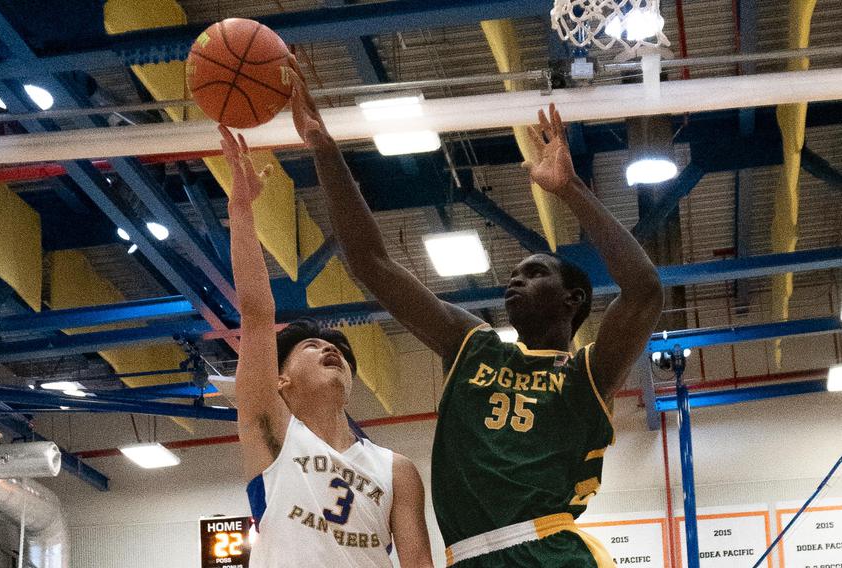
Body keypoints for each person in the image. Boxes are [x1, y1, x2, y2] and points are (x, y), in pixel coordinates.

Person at [288, 69, 664, 567]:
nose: (515, 280)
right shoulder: (472, 343)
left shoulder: (587, 376)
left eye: (534, 273)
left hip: (547, 552)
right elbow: (371, 263)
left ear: (573, 300)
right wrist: (323, 147)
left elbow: (643, 290)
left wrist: (571, 189)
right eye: (514, 273)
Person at [218, 125, 433, 567]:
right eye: (311, 347)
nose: (330, 352)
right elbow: (257, 315)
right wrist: (241, 210)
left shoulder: (397, 470)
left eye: (338, 352)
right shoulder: (273, 435)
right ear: (280, 379)